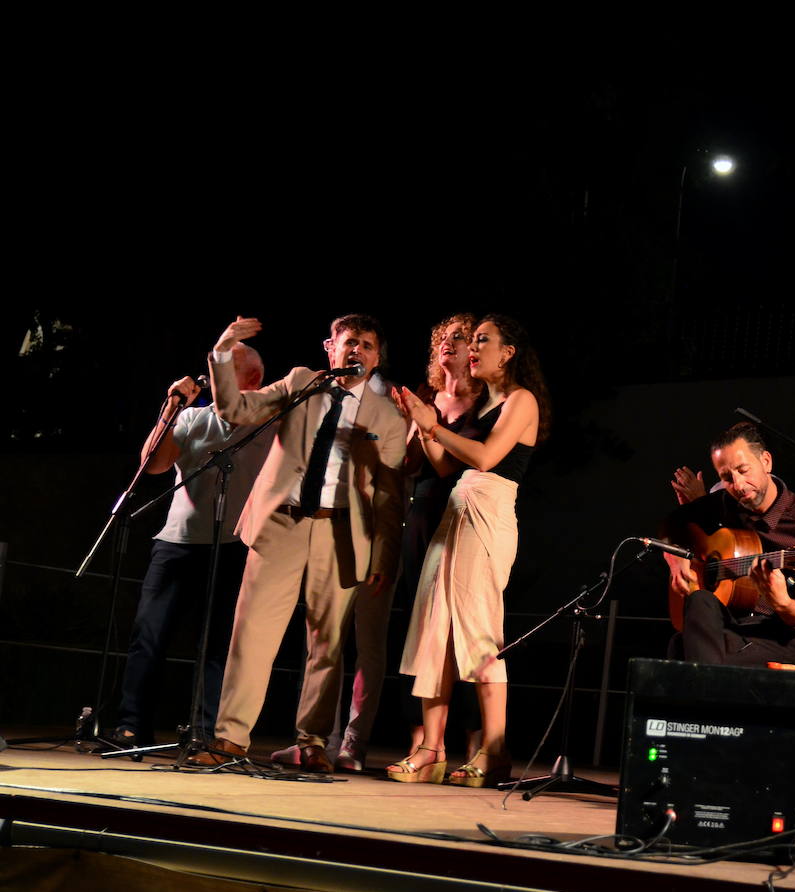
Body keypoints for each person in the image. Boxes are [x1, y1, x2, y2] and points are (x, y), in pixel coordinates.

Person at [189, 315, 406, 773]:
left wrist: (383, 556)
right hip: (281, 524)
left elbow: (389, 495)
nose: (357, 351)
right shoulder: (302, 383)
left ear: (377, 358)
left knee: (328, 645)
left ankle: (312, 743)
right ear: (331, 347)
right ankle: (230, 739)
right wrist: (223, 353)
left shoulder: (387, 415)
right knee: (252, 635)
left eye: (367, 346)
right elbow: (235, 409)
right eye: (350, 342)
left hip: (341, 534)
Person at [390, 314, 548, 787]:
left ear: (509, 352)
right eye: (472, 340)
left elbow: (484, 458)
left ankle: (494, 751)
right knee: (434, 631)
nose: (473, 349)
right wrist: (423, 423)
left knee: (480, 633)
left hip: (487, 514)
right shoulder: (483, 407)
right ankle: (431, 750)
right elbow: (444, 468)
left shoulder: (521, 400)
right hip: (455, 514)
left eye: (483, 340)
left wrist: (435, 428)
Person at [114, 346, 273, 747]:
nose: (214, 378)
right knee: (148, 635)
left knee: (217, 645)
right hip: (176, 542)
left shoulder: (268, 421)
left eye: (226, 370)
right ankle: (131, 726)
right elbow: (153, 465)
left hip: (233, 545)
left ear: (253, 380)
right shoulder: (192, 417)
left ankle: (205, 732)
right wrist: (170, 409)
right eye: (212, 369)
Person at [662, 423, 795, 667]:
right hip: (728, 625)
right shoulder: (725, 502)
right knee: (698, 605)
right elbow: (673, 524)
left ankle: (705, 684)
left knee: (682, 646)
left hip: (777, 636)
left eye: (744, 470)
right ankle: (708, 683)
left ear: (766, 462)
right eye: (727, 478)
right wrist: (676, 558)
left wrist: (782, 602)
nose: (739, 485)